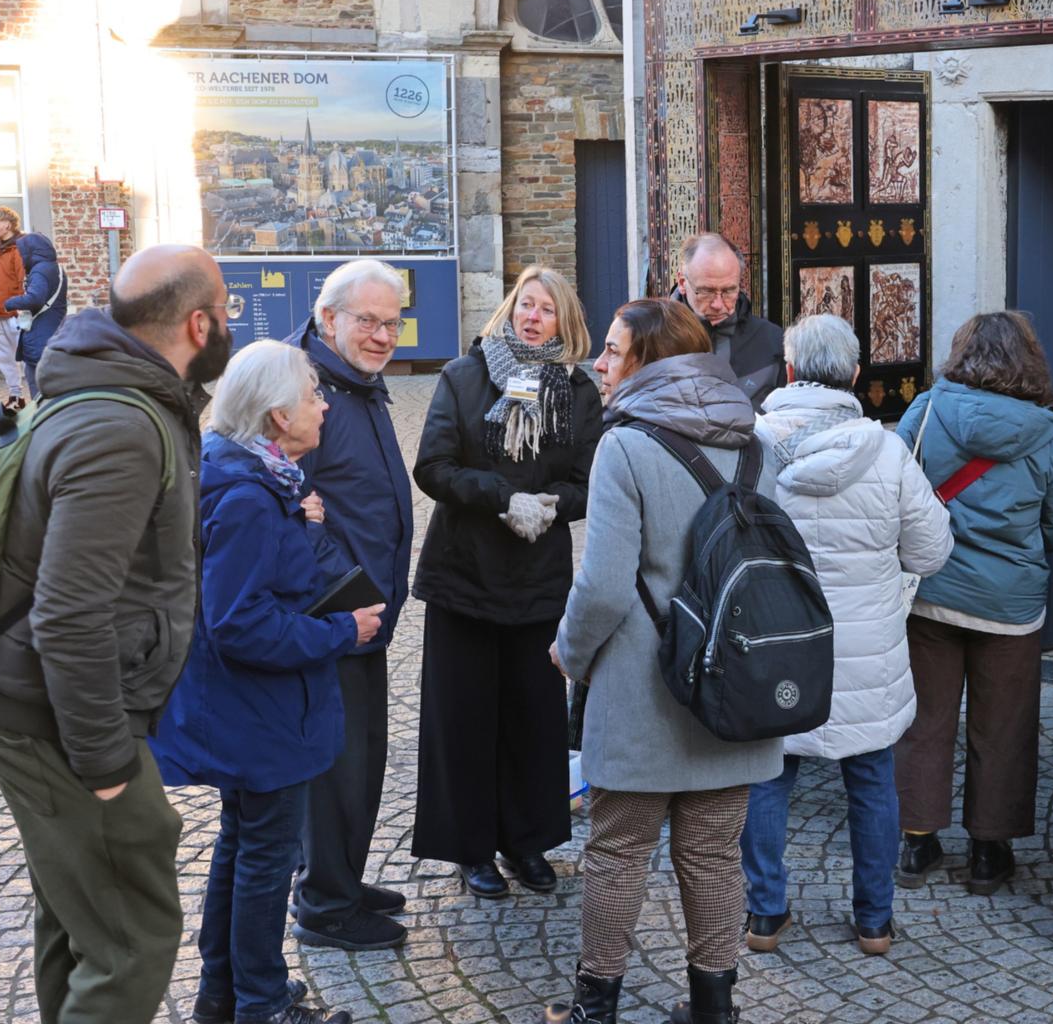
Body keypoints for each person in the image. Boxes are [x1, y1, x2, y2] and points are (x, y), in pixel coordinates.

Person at [0, 243, 231, 1024]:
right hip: (57, 719)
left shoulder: (111, 392)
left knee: (79, 917)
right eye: (227, 313)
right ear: (199, 322)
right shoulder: (120, 426)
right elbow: (69, 615)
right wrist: (107, 764)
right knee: (130, 940)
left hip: (35, 704)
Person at [545, 298, 783, 1024]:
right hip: (731, 687)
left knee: (617, 854)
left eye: (613, 351)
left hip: (645, 692)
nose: (598, 363)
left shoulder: (626, 446)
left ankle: (595, 1008)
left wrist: (569, 652)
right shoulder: (754, 444)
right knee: (714, 856)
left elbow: (604, 584)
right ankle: (715, 1008)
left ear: (649, 361)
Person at [151, 339, 385, 1024]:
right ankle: (261, 1003)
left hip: (249, 712)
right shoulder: (250, 495)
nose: (323, 406)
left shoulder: (250, 477)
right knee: (263, 860)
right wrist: (345, 633)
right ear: (278, 416)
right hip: (259, 715)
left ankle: (222, 995)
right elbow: (240, 623)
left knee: (244, 846)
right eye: (313, 395)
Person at [741, 314, 952, 957]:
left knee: (768, 777)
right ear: (856, 375)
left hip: (778, 643)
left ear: (788, 370)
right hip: (866, 653)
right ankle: (874, 922)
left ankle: (765, 915)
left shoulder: (749, 447)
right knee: (871, 779)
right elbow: (930, 551)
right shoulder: (886, 452)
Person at [411, 265, 601, 900]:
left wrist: (551, 503)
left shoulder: (578, 393)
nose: (532, 316)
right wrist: (500, 497)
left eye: (546, 309)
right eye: (525, 304)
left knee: (532, 718)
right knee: (463, 718)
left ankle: (526, 841)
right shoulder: (464, 377)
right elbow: (433, 466)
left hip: (536, 580)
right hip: (464, 575)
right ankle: (471, 849)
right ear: (509, 309)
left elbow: (585, 480)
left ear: (564, 322)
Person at [892, 311, 1053, 897]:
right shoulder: (1045, 432)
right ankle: (987, 852)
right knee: (1004, 726)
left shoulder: (925, 411)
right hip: (1011, 605)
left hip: (931, 592)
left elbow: (895, 491)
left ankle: (918, 839)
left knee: (923, 720)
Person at [286, 259, 418, 952]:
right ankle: (325, 907)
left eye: (391, 322)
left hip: (363, 615)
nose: (381, 335)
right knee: (337, 767)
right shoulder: (305, 389)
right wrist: (355, 604)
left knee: (361, 758)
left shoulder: (353, 381)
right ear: (328, 317)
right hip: (336, 617)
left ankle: (338, 876)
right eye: (367, 320)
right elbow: (294, 516)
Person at [671, 232, 784, 407]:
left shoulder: (773, 341)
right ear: (682, 283)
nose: (718, 304)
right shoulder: (651, 338)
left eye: (729, 291)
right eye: (707, 291)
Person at [0, 232, 68, 402]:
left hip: (40, 336)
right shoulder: (55, 268)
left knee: (38, 389)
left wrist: (10, 302)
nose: (21, 257)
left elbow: (35, 298)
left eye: (22, 252)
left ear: (31, 252)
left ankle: (42, 422)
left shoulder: (40, 271)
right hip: (52, 332)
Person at [0, 206, 31, 407]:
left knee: (26, 355)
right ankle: (15, 396)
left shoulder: (19, 248)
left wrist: (22, 307)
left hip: (14, 312)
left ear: (8, 225)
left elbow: (23, 280)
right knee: (3, 357)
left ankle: (37, 396)